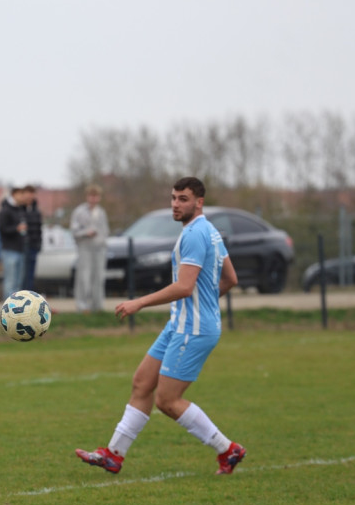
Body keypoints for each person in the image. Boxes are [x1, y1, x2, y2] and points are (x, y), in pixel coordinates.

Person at [75, 177, 247, 475]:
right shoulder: (210, 231)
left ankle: (227, 449)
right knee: (142, 382)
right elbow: (230, 279)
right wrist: (204, 302)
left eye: (183, 199)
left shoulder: (195, 234)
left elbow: (183, 287)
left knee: (167, 401)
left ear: (199, 202)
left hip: (192, 329)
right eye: (173, 198)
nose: (176, 204)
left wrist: (138, 302)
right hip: (181, 323)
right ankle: (114, 454)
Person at [69, 183, 110, 312]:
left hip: (99, 249)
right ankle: (82, 305)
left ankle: (97, 305)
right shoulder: (79, 212)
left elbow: (105, 230)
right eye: (91, 196)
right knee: (83, 277)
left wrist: (103, 241)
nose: (94, 199)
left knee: (99, 276)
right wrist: (86, 233)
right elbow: (74, 231)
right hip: (84, 248)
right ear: (87, 197)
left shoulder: (101, 212)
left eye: (96, 196)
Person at [0, 186, 30, 298]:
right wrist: (16, 229)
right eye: (21, 194)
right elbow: (2, 229)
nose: (23, 197)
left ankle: (17, 308)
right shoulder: (5, 210)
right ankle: (9, 308)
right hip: (9, 250)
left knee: (18, 282)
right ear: (14, 194)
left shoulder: (20, 210)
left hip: (20, 249)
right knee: (10, 282)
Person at [22, 185, 43, 292]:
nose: (30, 196)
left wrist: (39, 245)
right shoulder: (19, 209)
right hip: (22, 248)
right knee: (21, 276)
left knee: (30, 275)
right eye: (28, 193)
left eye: (32, 193)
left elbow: (39, 229)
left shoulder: (36, 211)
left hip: (33, 247)